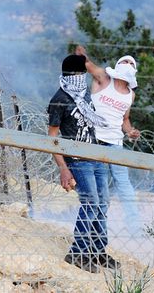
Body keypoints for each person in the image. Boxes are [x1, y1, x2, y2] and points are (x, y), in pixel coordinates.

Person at [48, 54, 118, 273]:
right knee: (90, 203)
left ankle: (98, 250)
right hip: (77, 160)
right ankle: (77, 252)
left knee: (102, 204)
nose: (81, 78)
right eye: (79, 74)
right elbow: (52, 138)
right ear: (71, 75)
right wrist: (63, 168)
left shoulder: (84, 95)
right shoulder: (59, 99)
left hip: (94, 156)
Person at [75, 45, 141, 233]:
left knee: (123, 182)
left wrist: (130, 132)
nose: (127, 64)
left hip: (115, 142)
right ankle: (96, 224)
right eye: (124, 61)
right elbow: (87, 64)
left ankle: (134, 225)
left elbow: (125, 119)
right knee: (97, 184)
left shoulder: (131, 94)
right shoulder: (104, 78)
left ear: (134, 70)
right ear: (118, 64)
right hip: (95, 140)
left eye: (131, 63)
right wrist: (81, 54)